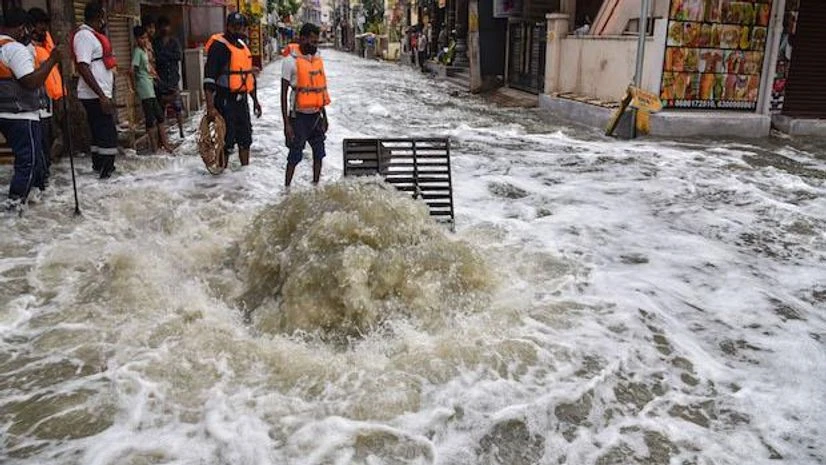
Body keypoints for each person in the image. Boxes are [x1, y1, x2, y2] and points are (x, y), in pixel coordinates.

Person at [0, 7, 61, 208]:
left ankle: (30, 204)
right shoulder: (15, 49)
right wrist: (52, 60)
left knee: (29, 160)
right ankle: (15, 205)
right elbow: (30, 81)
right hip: (21, 114)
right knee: (28, 161)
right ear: (21, 28)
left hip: (6, 112)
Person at [203, 12, 262, 168]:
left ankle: (244, 175)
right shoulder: (219, 47)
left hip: (241, 101)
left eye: (241, 27)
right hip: (224, 100)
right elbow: (209, 78)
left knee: (245, 139)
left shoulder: (242, 46)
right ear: (228, 27)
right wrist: (210, 107)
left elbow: (248, 77)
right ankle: (222, 177)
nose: (238, 30)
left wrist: (255, 100)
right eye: (235, 26)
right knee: (226, 141)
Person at [281, 23, 330, 187]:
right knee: (294, 156)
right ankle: (286, 189)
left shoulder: (316, 60)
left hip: (316, 116)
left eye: (317, 42)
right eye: (312, 42)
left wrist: (325, 116)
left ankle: (316, 185)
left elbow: (319, 90)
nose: (315, 46)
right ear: (302, 39)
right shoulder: (290, 62)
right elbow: (283, 95)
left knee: (319, 154)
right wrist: (286, 124)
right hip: (298, 118)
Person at [73, 1, 118, 178]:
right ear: (99, 17)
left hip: (99, 93)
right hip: (94, 95)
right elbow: (83, 67)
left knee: (99, 131)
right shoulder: (84, 36)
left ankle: (100, 169)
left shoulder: (92, 35)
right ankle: (106, 172)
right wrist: (101, 95)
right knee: (107, 133)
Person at [29, 7, 66, 185]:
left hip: (49, 102)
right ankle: (39, 182)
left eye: (45, 27)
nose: (45, 31)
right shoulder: (28, 50)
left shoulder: (45, 46)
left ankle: (44, 179)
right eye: (41, 27)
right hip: (36, 106)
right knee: (41, 146)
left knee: (49, 140)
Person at [132, 25, 172, 153]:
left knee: (159, 116)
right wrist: (133, 87)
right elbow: (132, 70)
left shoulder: (144, 50)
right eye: (142, 38)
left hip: (150, 86)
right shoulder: (137, 52)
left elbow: (148, 67)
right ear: (137, 39)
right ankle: (155, 148)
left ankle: (165, 145)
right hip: (144, 88)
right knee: (151, 118)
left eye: (146, 38)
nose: (144, 40)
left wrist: (154, 76)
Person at [153, 16, 183, 137]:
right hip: (161, 80)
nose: (165, 29)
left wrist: (165, 55)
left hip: (173, 79)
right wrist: (167, 56)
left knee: (178, 107)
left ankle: (181, 131)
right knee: (161, 109)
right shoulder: (156, 42)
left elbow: (178, 56)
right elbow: (157, 58)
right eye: (162, 26)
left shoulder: (174, 41)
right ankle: (162, 135)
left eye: (167, 26)